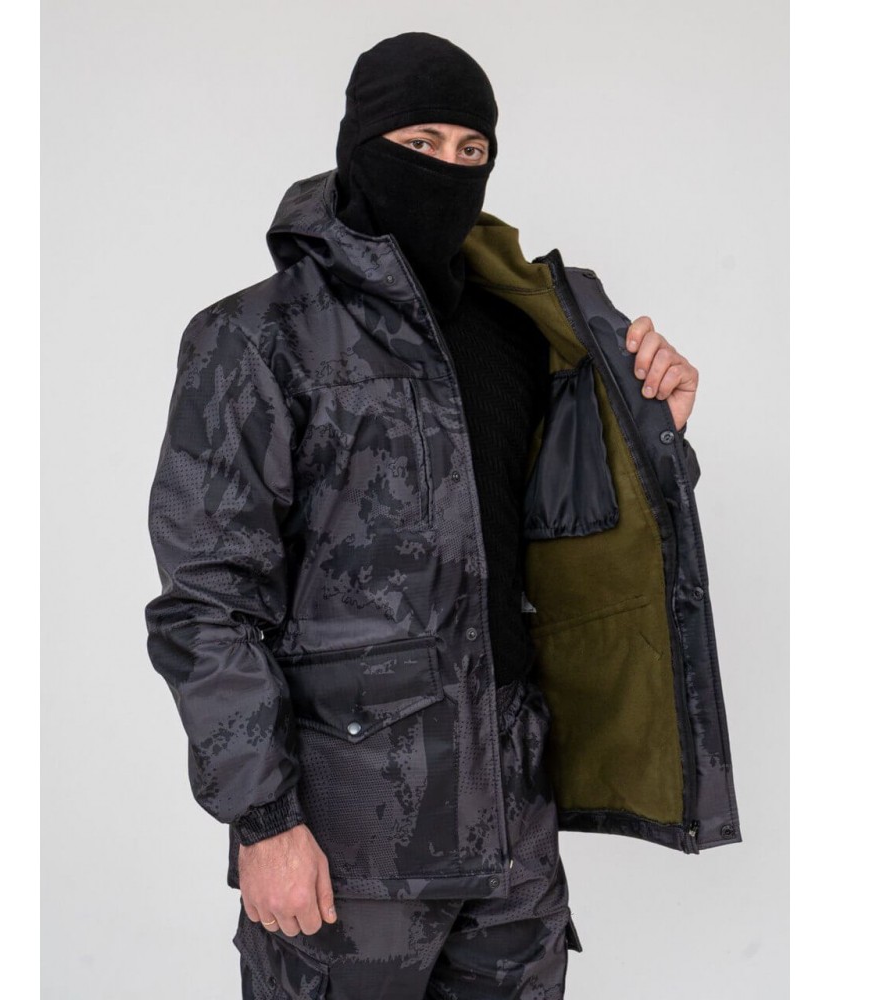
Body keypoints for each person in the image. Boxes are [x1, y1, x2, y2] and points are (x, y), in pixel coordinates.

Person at [145, 31, 741, 999]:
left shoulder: (521, 330)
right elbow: (207, 604)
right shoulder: (255, 339)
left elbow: (562, 541)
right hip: (348, 848)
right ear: (361, 144)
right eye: (421, 143)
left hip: (512, 839)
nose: (448, 169)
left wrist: (653, 432)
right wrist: (263, 820)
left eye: (473, 150)